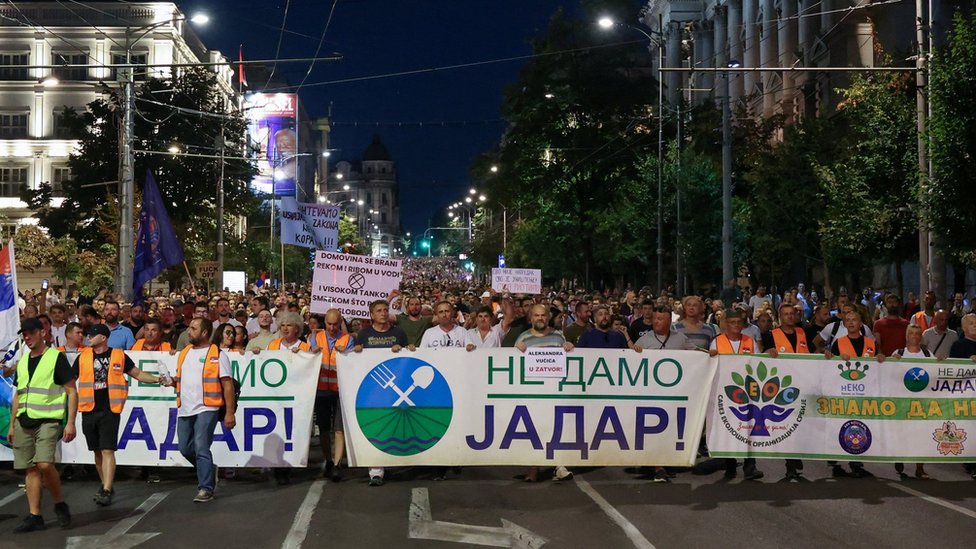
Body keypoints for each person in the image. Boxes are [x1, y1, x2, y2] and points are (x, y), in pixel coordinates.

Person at [75, 324, 164, 506]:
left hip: (110, 409)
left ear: (103, 338)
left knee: (108, 449)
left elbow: (137, 373)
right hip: (88, 409)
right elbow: (69, 380)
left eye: (93, 335)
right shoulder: (82, 357)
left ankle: (107, 489)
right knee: (97, 452)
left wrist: (156, 379)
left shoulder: (119, 355)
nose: (89, 338)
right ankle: (105, 484)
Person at [9, 317, 77, 533]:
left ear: (42, 333)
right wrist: (12, 424)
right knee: (30, 469)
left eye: (30, 333)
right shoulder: (23, 361)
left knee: (45, 464)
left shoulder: (55, 357)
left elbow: (71, 390)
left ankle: (59, 503)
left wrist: (71, 423)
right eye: (24, 334)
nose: (27, 337)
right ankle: (35, 515)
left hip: (48, 420)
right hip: (24, 420)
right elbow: (18, 396)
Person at [172, 318, 237, 502]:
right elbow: (181, 379)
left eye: (193, 328)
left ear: (204, 333)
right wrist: (171, 382)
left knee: (201, 446)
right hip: (185, 408)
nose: (189, 331)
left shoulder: (217, 354)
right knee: (185, 448)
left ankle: (205, 488)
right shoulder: (184, 353)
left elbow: (227, 385)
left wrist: (229, 412)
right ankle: (209, 468)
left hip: (208, 406)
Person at [353, 300, 413, 486]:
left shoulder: (398, 333)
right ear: (371, 315)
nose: (383, 313)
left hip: (397, 389)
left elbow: (408, 357)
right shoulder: (364, 335)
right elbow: (356, 361)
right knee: (376, 426)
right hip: (372, 390)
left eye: (386, 310)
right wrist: (356, 351)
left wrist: (405, 348)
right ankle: (375, 471)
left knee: (397, 426)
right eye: (379, 310)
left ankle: (398, 460)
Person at [515, 304, 574, 482]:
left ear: (548, 317)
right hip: (532, 392)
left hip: (555, 391)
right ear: (531, 318)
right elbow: (515, 363)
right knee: (534, 429)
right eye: (536, 315)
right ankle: (533, 468)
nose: (540, 318)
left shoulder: (558, 337)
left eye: (543, 315)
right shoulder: (523, 338)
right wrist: (517, 350)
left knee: (556, 427)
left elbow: (568, 359)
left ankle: (559, 465)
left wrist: (570, 347)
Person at [825, 309, 883, 478]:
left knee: (858, 427)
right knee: (841, 424)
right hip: (843, 392)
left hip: (864, 392)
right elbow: (830, 367)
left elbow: (879, 364)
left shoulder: (871, 344)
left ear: (861, 324)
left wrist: (881, 356)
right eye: (848, 320)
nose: (851, 322)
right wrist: (829, 356)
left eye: (854, 319)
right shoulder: (838, 343)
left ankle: (856, 461)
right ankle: (836, 453)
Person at [709, 309, 763, 481]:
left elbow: (758, 362)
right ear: (726, 324)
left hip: (747, 391)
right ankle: (730, 464)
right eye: (732, 322)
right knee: (728, 428)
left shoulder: (750, 341)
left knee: (749, 428)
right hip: (725, 392)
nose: (736, 326)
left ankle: (750, 466)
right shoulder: (717, 342)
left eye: (739, 322)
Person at [762, 303, 810, 481]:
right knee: (788, 424)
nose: (790, 317)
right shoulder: (770, 336)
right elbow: (764, 355)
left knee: (802, 424)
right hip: (782, 386)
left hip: (803, 383)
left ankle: (796, 454)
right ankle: (790, 463)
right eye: (786, 314)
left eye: (792, 314)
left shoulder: (803, 333)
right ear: (780, 317)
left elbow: (814, 355)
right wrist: (768, 351)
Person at [311, 309, 353, 482]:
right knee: (324, 428)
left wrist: (349, 352)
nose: (332, 327)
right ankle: (328, 460)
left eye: (336, 324)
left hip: (339, 390)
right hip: (321, 390)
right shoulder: (316, 337)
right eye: (329, 324)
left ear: (340, 322)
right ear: (324, 323)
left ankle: (336, 464)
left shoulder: (348, 339)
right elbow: (308, 351)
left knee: (339, 428)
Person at [891, 325, 934, 480]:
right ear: (906, 336)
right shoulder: (898, 353)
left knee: (921, 436)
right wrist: (892, 362)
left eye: (917, 333)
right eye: (911, 333)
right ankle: (899, 457)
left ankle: (920, 468)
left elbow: (937, 373)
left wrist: (942, 362)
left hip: (922, 402)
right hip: (902, 402)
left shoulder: (928, 354)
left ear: (921, 337)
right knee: (902, 434)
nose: (915, 336)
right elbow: (890, 376)